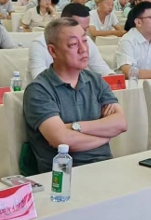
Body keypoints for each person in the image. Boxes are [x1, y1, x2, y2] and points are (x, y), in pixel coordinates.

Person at [23, 18, 127, 172]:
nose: (83, 49)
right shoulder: (39, 89)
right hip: (63, 175)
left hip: (106, 166)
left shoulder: (96, 81)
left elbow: (121, 123)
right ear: (53, 51)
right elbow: (62, 140)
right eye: (73, 44)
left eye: (85, 41)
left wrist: (74, 127)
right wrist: (106, 136)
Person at [28, 3, 113, 79]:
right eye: (79, 28)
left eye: (85, 29)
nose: (83, 33)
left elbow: (101, 67)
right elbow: (40, 78)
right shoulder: (40, 44)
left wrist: (114, 78)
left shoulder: (86, 40)